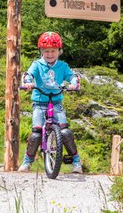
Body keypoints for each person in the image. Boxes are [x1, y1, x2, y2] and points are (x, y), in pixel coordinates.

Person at [18, 31, 83, 174]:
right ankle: (27, 162)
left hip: (56, 103)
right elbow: (28, 75)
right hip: (40, 102)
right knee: (36, 133)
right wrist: (28, 83)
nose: (49, 54)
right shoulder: (37, 65)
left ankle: (76, 162)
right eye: (46, 51)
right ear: (41, 51)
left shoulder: (63, 66)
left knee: (65, 131)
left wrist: (73, 84)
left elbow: (72, 77)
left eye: (53, 51)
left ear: (59, 51)